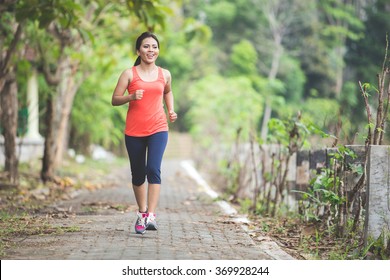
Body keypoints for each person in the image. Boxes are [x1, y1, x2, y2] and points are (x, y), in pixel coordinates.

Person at [111, 31, 177, 234]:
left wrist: (171, 110)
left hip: (158, 128)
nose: (151, 50)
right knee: (138, 174)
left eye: (154, 47)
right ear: (138, 50)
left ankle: (152, 216)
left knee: (153, 169)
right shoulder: (129, 74)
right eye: (146, 46)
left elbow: (167, 91)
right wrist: (130, 97)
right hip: (134, 131)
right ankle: (142, 212)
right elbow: (115, 99)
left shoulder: (164, 73)